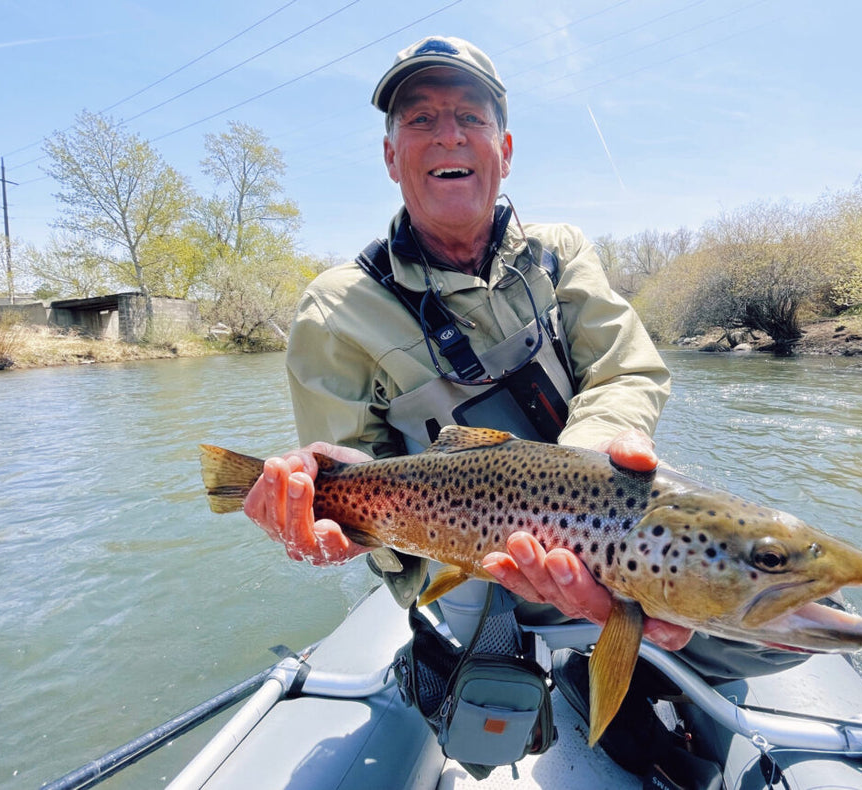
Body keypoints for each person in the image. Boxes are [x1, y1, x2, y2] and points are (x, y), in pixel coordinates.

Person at [242, 34, 690, 650]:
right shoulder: (334, 308)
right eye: (420, 118)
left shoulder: (561, 250)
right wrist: (327, 514)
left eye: (470, 117)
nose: (447, 134)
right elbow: (352, 474)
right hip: (458, 564)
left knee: (731, 621)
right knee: (483, 725)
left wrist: (573, 486)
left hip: (598, 523)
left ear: (503, 151)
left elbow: (624, 373)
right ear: (391, 155)